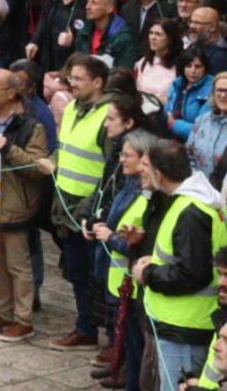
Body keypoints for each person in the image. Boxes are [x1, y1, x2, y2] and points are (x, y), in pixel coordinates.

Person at [127, 140, 224, 390]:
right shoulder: (184, 203)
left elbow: (192, 274)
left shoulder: (192, 212)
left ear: (159, 173)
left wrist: (147, 273)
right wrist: (156, 263)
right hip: (177, 325)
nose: (141, 170)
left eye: (147, 165)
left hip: (185, 329)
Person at [0, 68, 49, 341]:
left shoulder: (31, 126)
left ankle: (23, 319)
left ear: (12, 93)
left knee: (18, 265)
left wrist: (9, 150)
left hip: (16, 203)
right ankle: (2, 313)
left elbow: (37, 168)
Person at [48, 52, 115, 350]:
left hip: (92, 208)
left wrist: (96, 207)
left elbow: (113, 167)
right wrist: (53, 160)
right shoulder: (74, 106)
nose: (71, 84)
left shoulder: (108, 115)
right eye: (70, 78)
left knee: (98, 275)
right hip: (66, 202)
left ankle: (113, 340)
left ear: (98, 82)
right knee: (76, 271)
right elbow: (66, 147)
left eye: (78, 79)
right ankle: (85, 327)